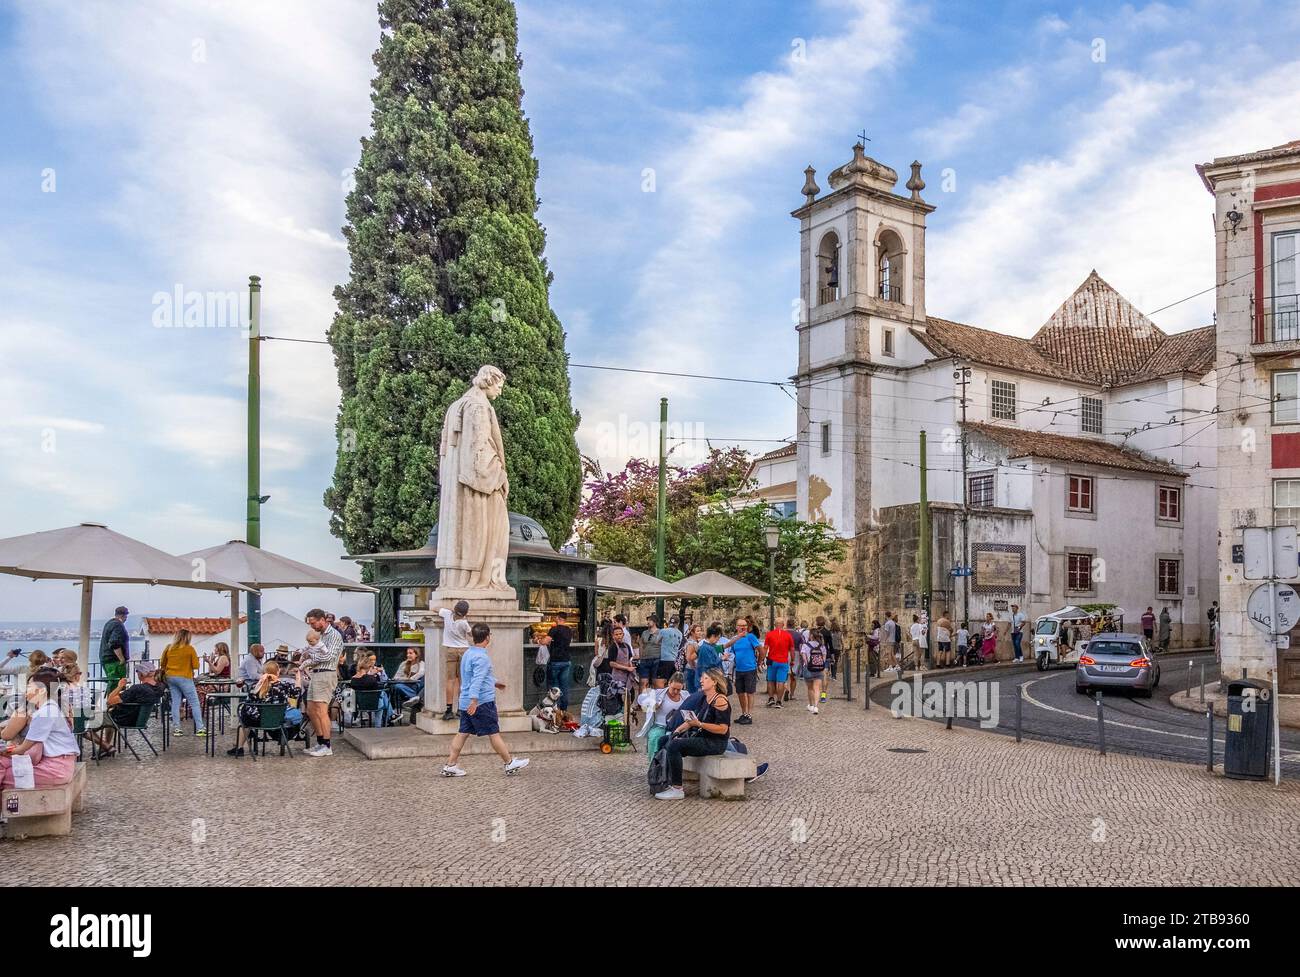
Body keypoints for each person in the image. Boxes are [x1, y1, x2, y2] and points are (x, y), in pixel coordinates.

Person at [441, 623, 530, 777]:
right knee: (493, 733)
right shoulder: (482, 657)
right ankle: (509, 763)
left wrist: (495, 683)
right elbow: (477, 680)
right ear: (487, 637)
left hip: (465, 701)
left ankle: (450, 765)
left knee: (462, 733)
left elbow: (473, 676)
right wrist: (474, 701)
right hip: (481, 702)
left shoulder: (468, 653)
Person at [654, 668, 731, 801]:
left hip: (715, 742)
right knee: (663, 740)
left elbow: (723, 729)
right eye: (702, 678)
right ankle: (662, 779)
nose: (701, 680)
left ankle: (677, 789)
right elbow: (691, 722)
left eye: (705, 678)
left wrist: (700, 724)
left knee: (674, 746)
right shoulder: (705, 698)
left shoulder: (720, 701)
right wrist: (677, 731)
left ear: (714, 682)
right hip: (701, 736)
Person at [1, 672, 80, 788]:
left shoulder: (44, 713)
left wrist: (4, 751)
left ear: (42, 690)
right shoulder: (50, 707)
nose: (25, 691)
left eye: (29, 686)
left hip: (55, 769)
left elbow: (22, 749)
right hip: (59, 764)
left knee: (5, 774)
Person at [84, 664, 164, 757]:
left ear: (142, 674)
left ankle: (106, 746)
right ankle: (105, 748)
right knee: (108, 716)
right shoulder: (159, 687)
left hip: (123, 719)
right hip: (137, 719)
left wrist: (120, 686)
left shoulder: (137, 688)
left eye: (137, 671)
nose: (137, 673)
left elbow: (110, 701)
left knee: (83, 725)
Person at [227, 662, 298, 757]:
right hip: (278, 721)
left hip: (259, 722)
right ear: (278, 672)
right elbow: (297, 693)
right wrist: (298, 677)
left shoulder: (257, 687)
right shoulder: (285, 686)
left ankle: (239, 747)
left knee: (245, 715)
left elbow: (249, 703)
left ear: (263, 672)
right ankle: (245, 739)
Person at [303, 609, 344, 757]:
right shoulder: (319, 635)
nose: (312, 627)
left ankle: (327, 745)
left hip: (326, 674)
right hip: (316, 673)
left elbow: (328, 656)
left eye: (313, 623)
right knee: (311, 710)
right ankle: (320, 742)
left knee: (321, 709)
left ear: (322, 620)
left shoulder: (334, 635)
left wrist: (310, 658)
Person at [159, 628, 206, 738]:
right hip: (185, 677)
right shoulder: (189, 649)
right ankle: (200, 728)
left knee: (176, 702)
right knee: (194, 702)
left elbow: (162, 663)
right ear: (187, 637)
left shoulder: (168, 648)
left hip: (170, 677)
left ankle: (177, 729)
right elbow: (196, 666)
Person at [717, 616, 762, 725]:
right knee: (740, 692)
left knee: (750, 692)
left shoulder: (751, 637)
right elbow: (730, 652)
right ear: (736, 627)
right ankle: (744, 713)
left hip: (750, 669)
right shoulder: (735, 639)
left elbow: (761, 650)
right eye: (741, 625)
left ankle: (749, 715)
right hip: (739, 669)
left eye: (745, 625)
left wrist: (759, 662)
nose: (743, 627)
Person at [639, 671, 687, 762]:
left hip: (677, 728)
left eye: (679, 689)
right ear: (669, 683)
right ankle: (653, 766)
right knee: (655, 738)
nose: (676, 692)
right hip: (659, 726)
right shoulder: (657, 693)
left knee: (676, 743)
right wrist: (653, 705)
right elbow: (641, 700)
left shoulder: (685, 695)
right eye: (673, 688)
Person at [438, 600, 473, 722]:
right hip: (463, 650)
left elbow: (437, 609)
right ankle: (460, 708)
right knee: (463, 680)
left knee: (450, 680)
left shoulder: (447, 614)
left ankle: (448, 710)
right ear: (465, 613)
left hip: (450, 650)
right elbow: (471, 634)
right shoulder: (464, 623)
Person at [350, 652, 393, 727]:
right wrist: (371, 675)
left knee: (382, 695)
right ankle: (379, 725)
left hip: (360, 705)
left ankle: (390, 716)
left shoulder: (353, 679)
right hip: (374, 704)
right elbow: (376, 687)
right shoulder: (371, 679)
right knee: (382, 694)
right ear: (368, 667)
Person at [544, 611, 574, 711]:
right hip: (566, 660)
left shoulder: (554, 629)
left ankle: (554, 709)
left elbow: (546, 641)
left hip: (556, 660)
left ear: (558, 618)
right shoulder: (569, 630)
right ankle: (563, 709)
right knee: (564, 686)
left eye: (556, 618)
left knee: (555, 686)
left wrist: (539, 641)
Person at [764, 618, 795, 708]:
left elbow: (765, 648)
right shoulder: (788, 635)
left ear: (775, 625)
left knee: (770, 680)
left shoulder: (769, 635)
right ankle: (779, 701)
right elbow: (792, 649)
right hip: (783, 661)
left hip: (772, 661)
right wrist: (792, 660)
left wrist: (761, 659)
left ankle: (771, 699)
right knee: (781, 681)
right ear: (783, 625)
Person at [99, 605, 131, 684]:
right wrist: (122, 659)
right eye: (126, 616)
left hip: (106, 658)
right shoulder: (118, 625)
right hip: (114, 661)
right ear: (123, 616)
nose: (126, 618)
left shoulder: (109, 623)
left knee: (112, 682)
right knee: (117, 684)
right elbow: (114, 643)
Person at [801, 627, 828, 714]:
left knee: (810, 688)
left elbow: (804, 658)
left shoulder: (805, 645)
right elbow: (824, 658)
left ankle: (811, 705)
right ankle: (816, 707)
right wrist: (820, 665)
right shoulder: (822, 646)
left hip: (808, 669)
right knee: (817, 688)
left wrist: (808, 665)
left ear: (811, 636)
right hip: (819, 669)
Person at [392, 647, 425, 718]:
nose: (408, 655)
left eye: (410, 653)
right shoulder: (404, 664)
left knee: (425, 679)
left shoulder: (421, 663)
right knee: (397, 686)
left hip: (418, 686)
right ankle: (416, 698)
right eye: (407, 653)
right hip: (406, 686)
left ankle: (416, 698)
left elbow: (421, 673)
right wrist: (405, 679)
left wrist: (411, 679)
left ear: (416, 655)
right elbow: (395, 677)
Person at [654, 615, 683, 690]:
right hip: (674, 660)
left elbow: (656, 642)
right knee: (672, 682)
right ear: (678, 623)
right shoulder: (680, 633)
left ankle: (661, 699)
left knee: (660, 682)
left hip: (664, 659)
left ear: (669, 622)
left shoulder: (663, 631)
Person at [637, 615, 664, 691]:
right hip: (645, 659)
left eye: (650, 620)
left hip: (656, 658)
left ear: (654, 622)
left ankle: (656, 701)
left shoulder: (661, 632)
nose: (648, 622)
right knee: (643, 682)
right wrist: (640, 657)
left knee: (656, 682)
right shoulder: (644, 633)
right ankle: (642, 701)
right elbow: (641, 645)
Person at [682, 623, 703, 694]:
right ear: (692, 632)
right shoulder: (691, 643)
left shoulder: (695, 642)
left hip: (692, 669)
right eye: (698, 631)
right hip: (691, 670)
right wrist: (694, 667)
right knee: (692, 692)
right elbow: (688, 658)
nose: (700, 633)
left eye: (700, 631)